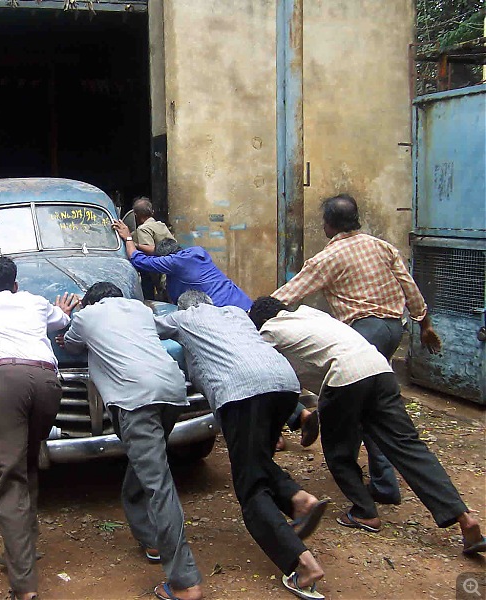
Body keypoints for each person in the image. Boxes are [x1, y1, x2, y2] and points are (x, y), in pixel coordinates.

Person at [249, 297, 486, 558]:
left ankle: (365, 513)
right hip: (379, 369)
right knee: (409, 447)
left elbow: (259, 371)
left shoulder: (268, 332)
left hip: (345, 377)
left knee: (338, 451)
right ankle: (464, 518)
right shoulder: (310, 314)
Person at [154, 290, 328, 600]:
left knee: (250, 488)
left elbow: (147, 328)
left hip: (241, 393)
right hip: (285, 387)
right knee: (257, 459)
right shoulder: (235, 313)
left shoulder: (182, 318)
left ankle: (301, 564)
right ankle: (299, 500)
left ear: (185, 307)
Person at [272, 193, 441, 505]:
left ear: (329, 225)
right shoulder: (381, 246)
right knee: (372, 405)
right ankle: (383, 483)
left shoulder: (327, 258)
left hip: (366, 332)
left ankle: (371, 484)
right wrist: (424, 324)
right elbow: (410, 287)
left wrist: (255, 314)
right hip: (393, 329)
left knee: (364, 412)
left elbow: (285, 296)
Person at [59, 282, 203, 600]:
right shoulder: (140, 309)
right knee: (142, 474)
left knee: (158, 485)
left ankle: (185, 581)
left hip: (135, 400)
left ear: (91, 302)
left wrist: (67, 315)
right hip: (171, 392)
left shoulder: (86, 317)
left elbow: (69, 345)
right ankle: (151, 539)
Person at [0, 256, 79, 600]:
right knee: (26, 460)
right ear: (15, 283)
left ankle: (23, 585)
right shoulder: (35, 302)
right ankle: (22, 549)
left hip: (5, 383)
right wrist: (62, 308)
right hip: (48, 383)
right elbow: (61, 318)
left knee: (9, 475)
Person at [113, 220, 251, 310]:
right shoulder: (197, 252)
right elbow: (156, 251)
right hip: (243, 303)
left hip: (224, 311)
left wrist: (128, 238)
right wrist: (137, 245)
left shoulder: (174, 263)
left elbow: (137, 260)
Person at [130, 197, 176, 300]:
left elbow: (150, 252)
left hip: (161, 269)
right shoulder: (161, 225)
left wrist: (135, 245)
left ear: (136, 216)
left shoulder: (143, 229)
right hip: (173, 265)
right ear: (153, 212)